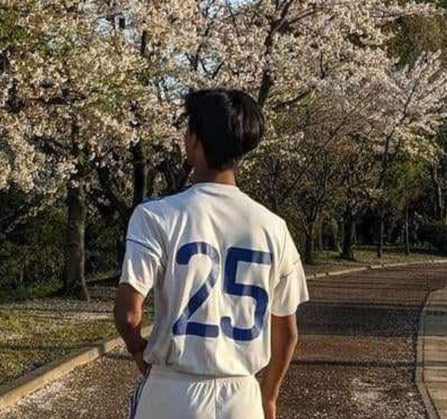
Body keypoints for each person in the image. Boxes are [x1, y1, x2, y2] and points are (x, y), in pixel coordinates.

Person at [114, 88, 309, 419]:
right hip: (242, 394)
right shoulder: (274, 227)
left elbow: (128, 314)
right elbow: (287, 332)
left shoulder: (155, 216)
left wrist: (137, 351)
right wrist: (269, 396)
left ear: (195, 139)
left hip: (172, 391)